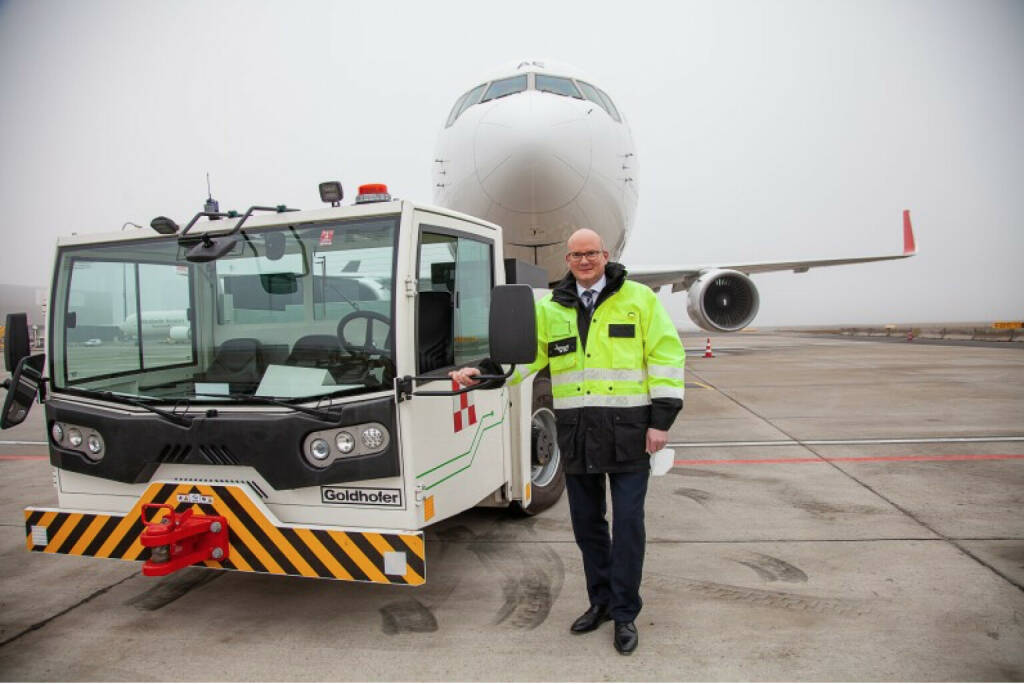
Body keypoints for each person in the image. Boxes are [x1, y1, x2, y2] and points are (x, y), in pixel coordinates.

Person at [449, 228, 685, 655]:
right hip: (577, 435)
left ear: (605, 254)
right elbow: (520, 358)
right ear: (568, 258)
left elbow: (666, 356)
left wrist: (661, 421)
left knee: (629, 524)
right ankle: (601, 603)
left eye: (591, 253)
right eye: (576, 254)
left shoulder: (638, 299)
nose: (584, 261)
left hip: (630, 431)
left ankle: (626, 613)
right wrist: (478, 373)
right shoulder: (552, 308)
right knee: (588, 527)